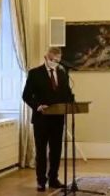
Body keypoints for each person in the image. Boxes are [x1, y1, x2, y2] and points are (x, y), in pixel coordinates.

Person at [22, 46, 74, 192]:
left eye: (58, 60)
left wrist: (71, 102)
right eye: (53, 59)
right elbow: (26, 95)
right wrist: (37, 105)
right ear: (46, 57)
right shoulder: (35, 73)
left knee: (56, 150)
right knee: (41, 151)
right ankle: (40, 181)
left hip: (58, 119)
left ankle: (53, 178)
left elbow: (67, 94)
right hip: (41, 119)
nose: (55, 62)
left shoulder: (63, 74)